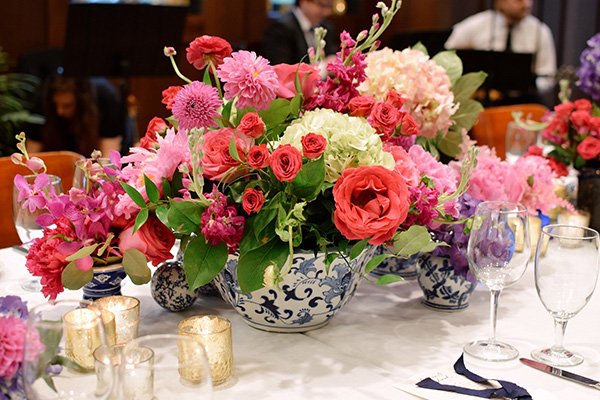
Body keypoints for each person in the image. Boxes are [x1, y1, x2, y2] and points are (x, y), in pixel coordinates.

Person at [444, 0, 556, 95]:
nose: (526, 4)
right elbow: (446, 55)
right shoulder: (476, 25)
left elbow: (548, 75)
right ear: (501, 2)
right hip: (483, 97)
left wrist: (526, 88)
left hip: (523, 99)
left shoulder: (540, 31)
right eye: (518, 0)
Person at [26, 74, 123, 157]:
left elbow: (108, 157)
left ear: (82, 103)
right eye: (55, 104)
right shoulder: (43, 101)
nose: (59, 111)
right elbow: (31, 155)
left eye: (67, 105)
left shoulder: (105, 96)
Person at [261, 0, 339, 66]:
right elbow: (282, 69)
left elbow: (331, 56)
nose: (326, 12)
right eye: (321, 5)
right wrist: (323, 68)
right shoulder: (280, 27)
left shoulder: (327, 27)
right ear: (303, 2)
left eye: (329, 6)